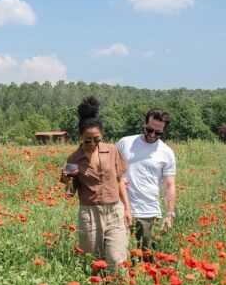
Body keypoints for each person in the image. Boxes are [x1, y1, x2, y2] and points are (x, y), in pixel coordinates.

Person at [61, 97, 132, 273]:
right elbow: (70, 193)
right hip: (89, 213)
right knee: (93, 260)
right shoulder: (74, 159)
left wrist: (128, 209)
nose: (92, 143)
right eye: (87, 140)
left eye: (96, 139)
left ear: (102, 135)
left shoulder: (112, 151)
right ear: (80, 137)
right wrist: (67, 181)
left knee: (116, 258)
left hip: (115, 210)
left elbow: (119, 180)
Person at [116, 108, 177, 259]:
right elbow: (111, 170)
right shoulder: (125, 143)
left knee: (145, 257)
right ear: (144, 123)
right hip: (120, 207)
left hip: (147, 211)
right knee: (118, 255)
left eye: (158, 133)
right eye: (149, 130)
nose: (152, 135)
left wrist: (169, 214)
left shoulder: (167, 153)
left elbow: (169, 186)